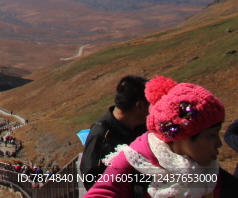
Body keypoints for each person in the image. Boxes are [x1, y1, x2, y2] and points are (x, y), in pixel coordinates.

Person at [85, 76, 238, 198]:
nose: (219, 143)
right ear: (184, 135)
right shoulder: (134, 162)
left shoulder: (209, 171)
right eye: (211, 135)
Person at [81, 75, 150, 189]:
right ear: (140, 105)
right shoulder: (101, 134)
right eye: (151, 103)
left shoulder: (143, 127)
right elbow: (91, 180)